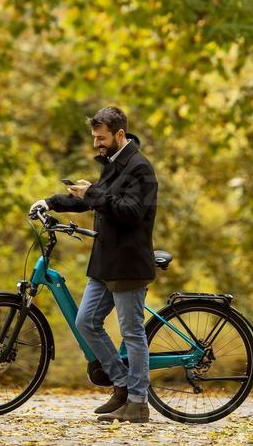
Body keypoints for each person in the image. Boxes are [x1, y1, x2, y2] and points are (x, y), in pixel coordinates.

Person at [29, 105, 158, 423]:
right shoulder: (114, 164)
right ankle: (122, 383)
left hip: (127, 263)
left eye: (101, 138)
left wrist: (95, 192)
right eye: (94, 138)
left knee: (131, 332)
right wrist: (52, 202)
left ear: (120, 134)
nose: (97, 144)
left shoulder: (140, 168)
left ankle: (139, 402)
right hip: (105, 262)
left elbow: (129, 212)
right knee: (86, 322)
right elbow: (96, 199)